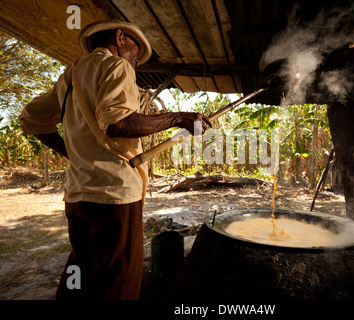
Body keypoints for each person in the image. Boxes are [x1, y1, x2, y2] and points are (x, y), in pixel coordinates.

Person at [19, 20, 212, 300]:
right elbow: (118, 123)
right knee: (117, 285)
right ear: (120, 37)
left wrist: (73, 153)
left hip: (78, 197)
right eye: (136, 52)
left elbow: (31, 119)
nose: (135, 61)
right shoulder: (116, 66)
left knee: (80, 276)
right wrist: (178, 117)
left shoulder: (70, 76)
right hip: (114, 197)